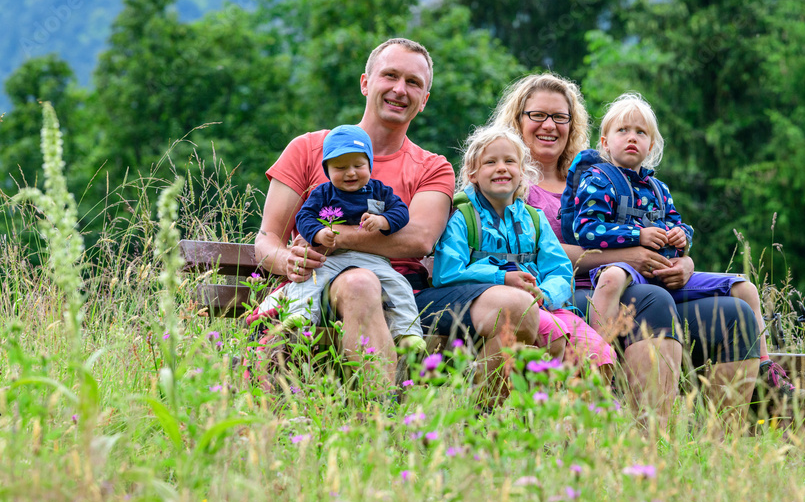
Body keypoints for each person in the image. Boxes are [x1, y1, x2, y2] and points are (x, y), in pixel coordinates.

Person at [250, 38, 538, 393]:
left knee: (517, 307)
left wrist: (334, 237)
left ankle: (476, 428)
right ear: (365, 83)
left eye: (414, 83)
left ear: (424, 101)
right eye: (390, 76)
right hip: (319, 286)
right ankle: (376, 424)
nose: (400, 90)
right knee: (360, 283)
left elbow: (419, 239)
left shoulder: (432, 167)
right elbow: (266, 239)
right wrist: (287, 260)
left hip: (408, 295)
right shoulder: (309, 148)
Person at [490, 73, 761, 422]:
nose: (549, 126)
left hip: (636, 281)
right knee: (653, 300)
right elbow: (536, 252)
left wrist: (684, 263)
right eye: (537, 115)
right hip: (563, 293)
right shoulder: (505, 180)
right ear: (517, 120)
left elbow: (662, 227)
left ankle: (725, 441)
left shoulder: (601, 176)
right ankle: (647, 435)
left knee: (734, 313)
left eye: (560, 117)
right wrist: (626, 256)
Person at [432, 125, 616, 372]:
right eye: (490, 162)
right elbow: (446, 272)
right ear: (473, 174)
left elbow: (560, 271)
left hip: (546, 305)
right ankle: (513, 403)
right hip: (494, 305)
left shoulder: (535, 219)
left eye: (510, 161)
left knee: (602, 356)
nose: (501, 167)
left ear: (522, 172)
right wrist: (502, 277)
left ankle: (576, 409)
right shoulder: (463, 218)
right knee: (553, 334)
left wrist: (545, 294)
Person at [252, 124, 423, 346]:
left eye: (358, 165)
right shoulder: (323, 192)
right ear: (328, 170)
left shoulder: (380, 190)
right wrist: (319, 234)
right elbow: (304, 217)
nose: (350, 172)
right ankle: (300, 315)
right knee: (309, 280)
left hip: (372, 258)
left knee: (398, 283)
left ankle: (407, 332)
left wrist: (383, 221)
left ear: (369, 165)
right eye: (340, 167)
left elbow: (400, 212)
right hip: (332, 257)